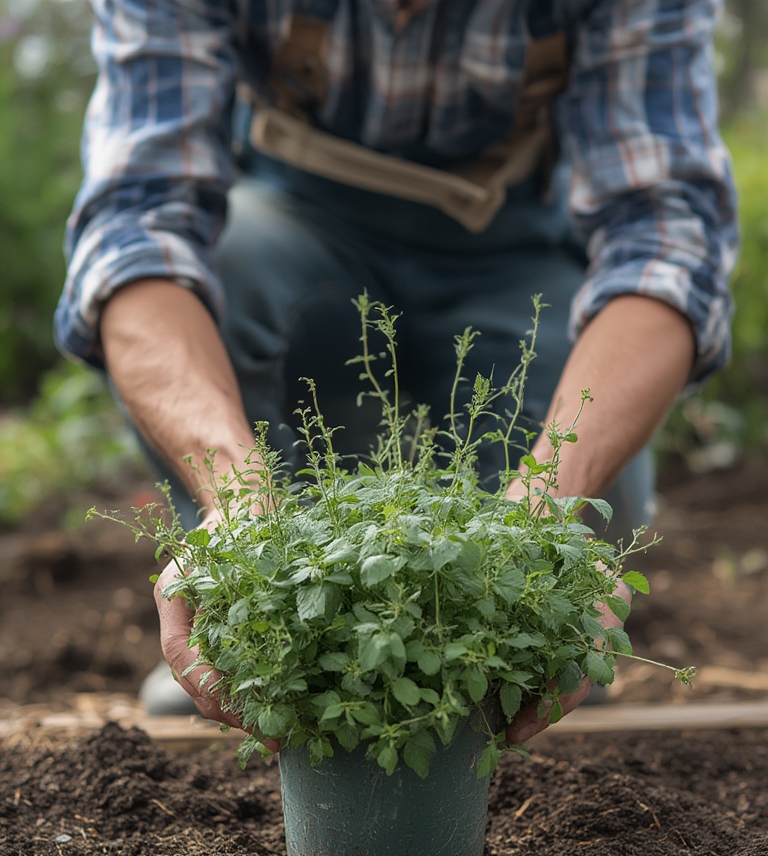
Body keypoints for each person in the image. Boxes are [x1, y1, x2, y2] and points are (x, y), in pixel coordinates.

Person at [56, 0, 737, 745]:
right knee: (227, 275)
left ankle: (502, 666)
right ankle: (249, 635)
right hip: (293, 225)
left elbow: (666, 243)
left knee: (580, 514)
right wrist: (238, 497)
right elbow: (136, 231)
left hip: (516, 246)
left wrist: (547, 506)